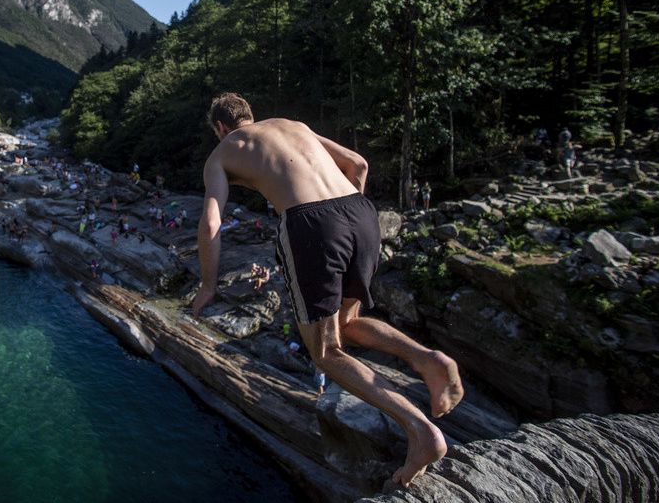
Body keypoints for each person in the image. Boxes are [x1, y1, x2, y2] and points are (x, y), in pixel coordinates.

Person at [190, 92, 463, 488]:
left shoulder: (223, 153)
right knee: (348, 322)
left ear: (220, 128)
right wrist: (349, 218)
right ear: (252, 115)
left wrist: (208, 285)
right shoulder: (293, 125)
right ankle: (430, 359)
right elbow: (358, 164)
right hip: (360, 210)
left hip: (311, 224)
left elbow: (211, 223)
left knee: (325, 352)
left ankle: (421, 431)